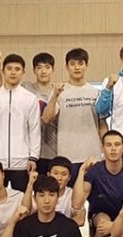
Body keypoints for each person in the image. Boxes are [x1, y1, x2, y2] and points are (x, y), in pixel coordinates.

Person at [0, 53, 41, 192]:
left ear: (23, 72)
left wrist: (33, 157)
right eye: (9, 68)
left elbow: (34, 129)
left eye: (17, 69)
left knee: (22, 200)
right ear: (3, 71)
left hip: (22, 162)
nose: (13, 72)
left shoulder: (30, 98)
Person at [42, 48, 103, 183]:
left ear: (86, 65)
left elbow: (102, 124)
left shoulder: (95, 92)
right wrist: (55, 96)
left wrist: (105, 148)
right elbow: (46, 118)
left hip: (92, 156)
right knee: (68, 194)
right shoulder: (59, 91)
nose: (77, 67)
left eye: (80, 63)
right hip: (67, 156)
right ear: (66, 67)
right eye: (72, 64)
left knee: (92, 193)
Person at [22, 52, 58, 177]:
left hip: (52, 150)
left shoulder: (58, 91)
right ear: (34, 70)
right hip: (29, 151)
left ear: (53, 69)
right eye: (39, 68)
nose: (43, 71)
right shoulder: (25, 88)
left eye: (47, 67)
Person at [43, 156, 85, 226]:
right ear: (48, 175)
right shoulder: (40, 193)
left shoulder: (74, 194)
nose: (59, 178)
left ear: (69, 177)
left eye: (64, 174)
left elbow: (80, 221)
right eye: (55, 173)